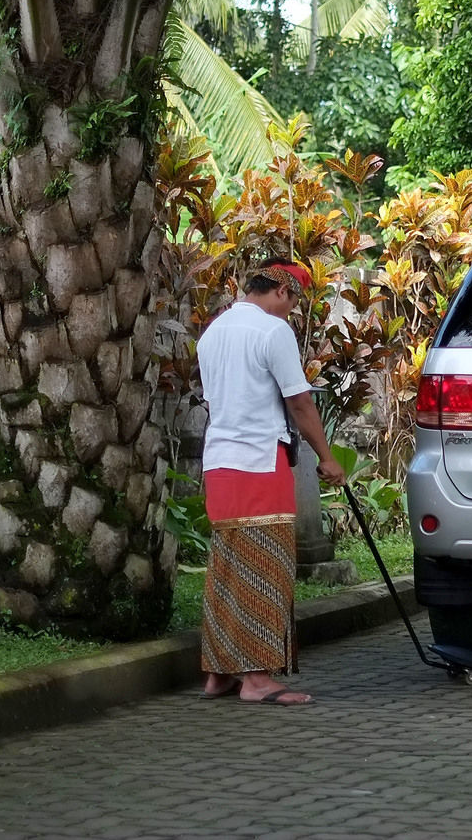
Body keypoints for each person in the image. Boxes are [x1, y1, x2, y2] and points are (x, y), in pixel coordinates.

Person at [197, 258, 346, 705]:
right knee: (267, 567)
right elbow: (299, 402)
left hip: (219, 464)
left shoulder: (213, 333)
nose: (291, 314)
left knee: (227, 566)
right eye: (294, 302)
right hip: (260, 463)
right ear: (281, 291)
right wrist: (327, 457)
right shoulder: (271, 331)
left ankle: (220, 673)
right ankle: (258, 678)